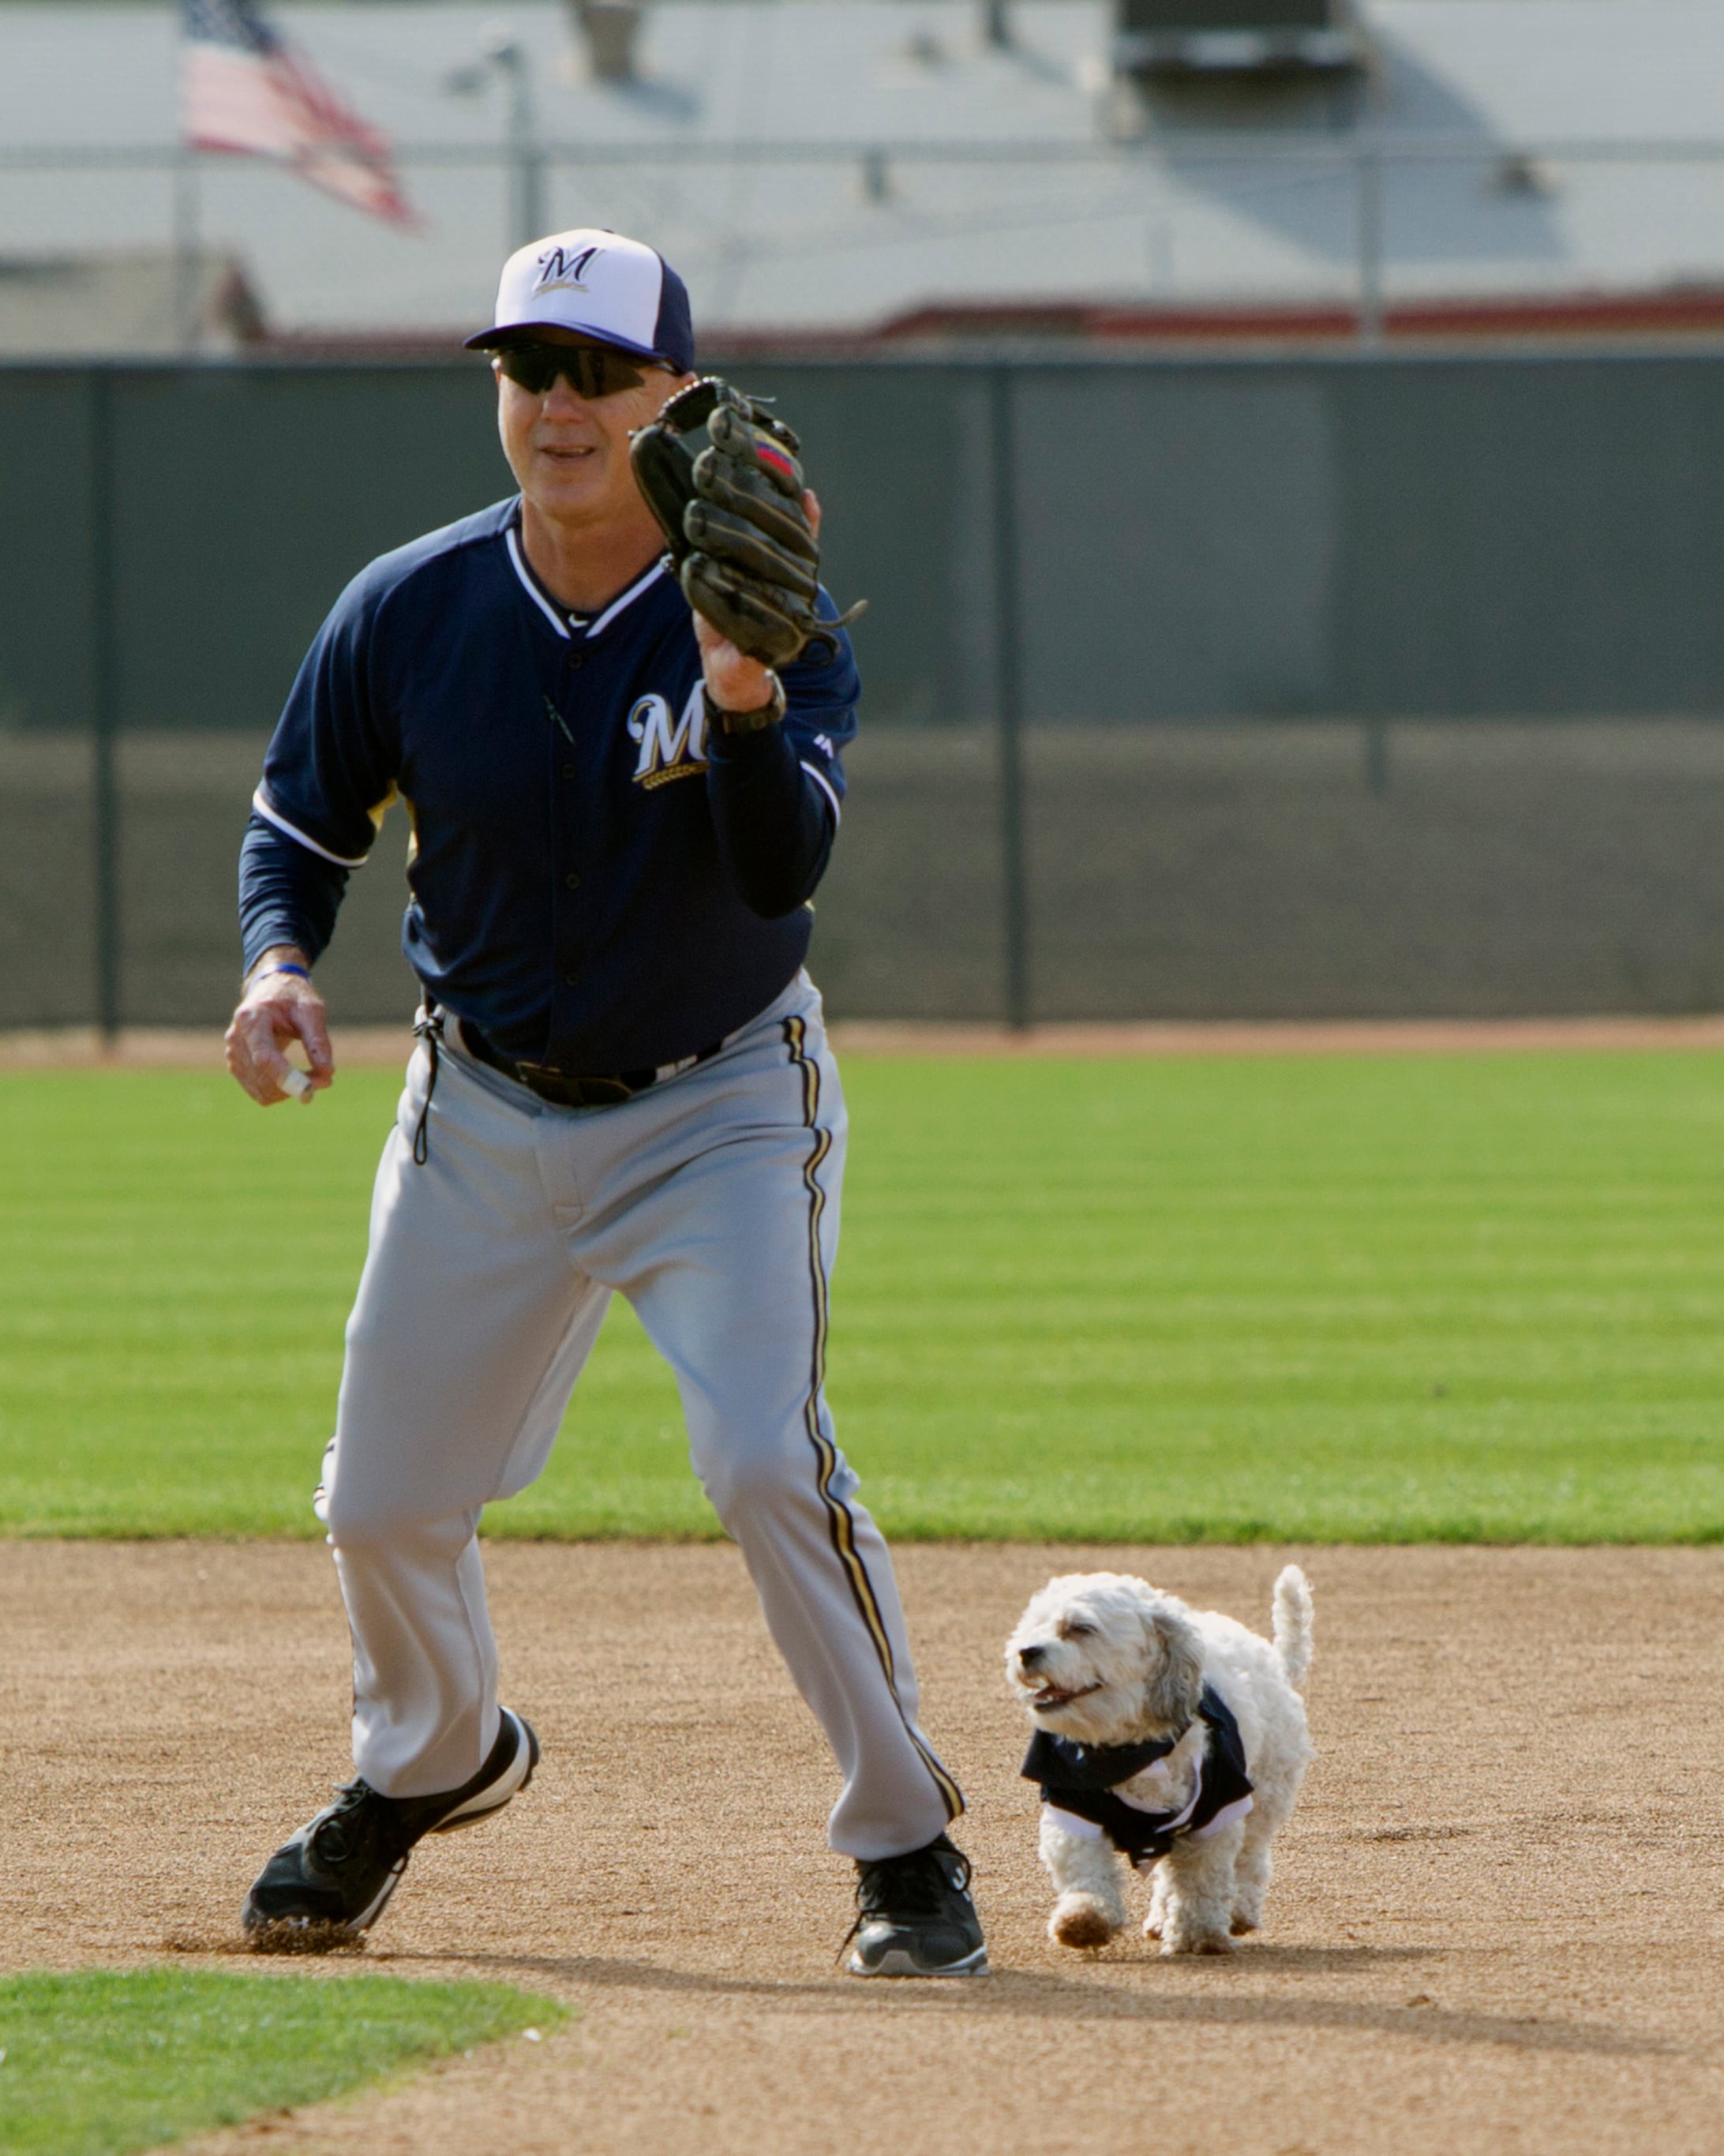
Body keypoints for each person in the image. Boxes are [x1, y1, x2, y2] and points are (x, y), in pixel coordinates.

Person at [222, 228, 988, 1972]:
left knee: (760, 1458)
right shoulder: (408, 608)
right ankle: (438, 1757)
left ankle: (907, 1841)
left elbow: (782, 868)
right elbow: (302, 821)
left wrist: (737, 693)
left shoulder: (774, 622)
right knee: (378, 1501)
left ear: (675, 399)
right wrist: (278, 964)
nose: (559, 406)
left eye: (597, 372)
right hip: (478, 1105)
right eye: (527, 370)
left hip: (719, 1102)